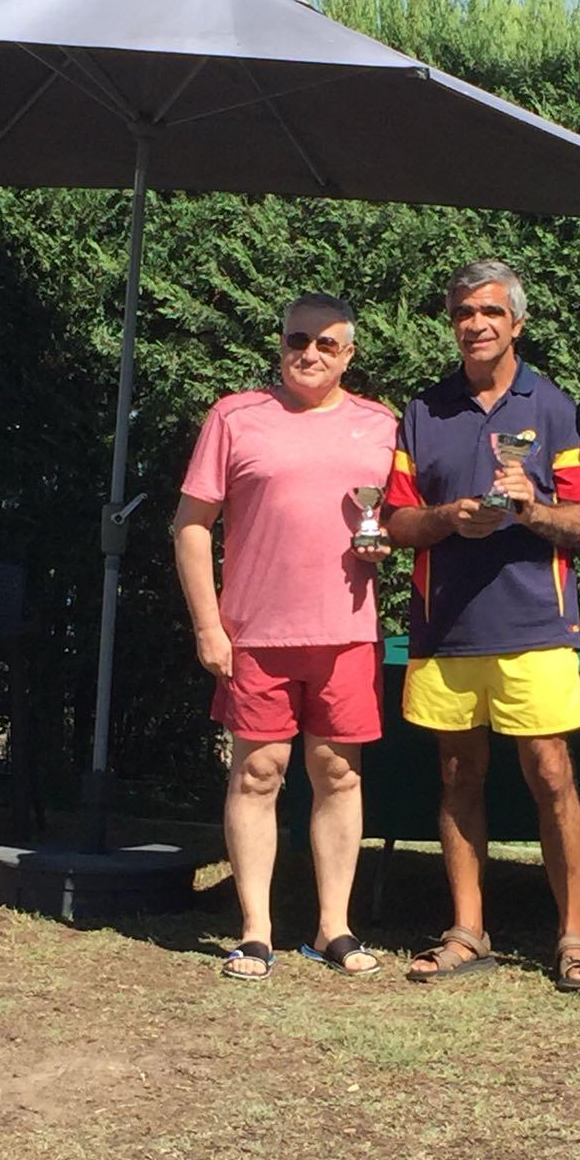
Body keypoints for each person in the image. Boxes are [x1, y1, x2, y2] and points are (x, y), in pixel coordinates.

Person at [384, 260, 580, 992]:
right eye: (461, 314)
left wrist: (528, 508)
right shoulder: (424, 411)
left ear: (516, 322)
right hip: (445, 628)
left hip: (535, 624)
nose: (475, 324)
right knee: (456, 777)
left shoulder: (557, 407)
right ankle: (467, 929)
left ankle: (573, 935)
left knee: (550, 774)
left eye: (489, 312)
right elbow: (394, 519)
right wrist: (450, 519)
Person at [173, 292, 396, 980]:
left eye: (328, 344)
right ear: (280, 343)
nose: (311, 354)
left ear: (349, 354)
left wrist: (385, 540)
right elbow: (189, 525)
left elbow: (400, 519)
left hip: (347, 632)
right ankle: (255, 932)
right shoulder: (235, 416)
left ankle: (335, 927)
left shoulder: (381, 425)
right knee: (258, 773)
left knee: (337, 774)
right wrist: (208, 624)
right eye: (299, 339)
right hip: (257, 633)